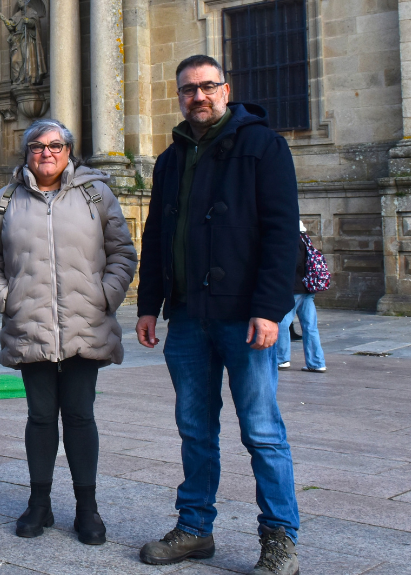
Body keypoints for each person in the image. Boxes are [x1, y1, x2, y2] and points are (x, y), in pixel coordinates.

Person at [134, 55, 302, 575]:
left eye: (207, 87)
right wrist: (148, 305)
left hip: (246, 318)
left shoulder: (264, 145)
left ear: (226, 89)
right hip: (188, 318)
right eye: (188, 89)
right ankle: (194, 529)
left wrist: (270, 310)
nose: (198, 96)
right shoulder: (170, 157)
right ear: (179, 96)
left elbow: (281, 233)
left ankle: (279, 538)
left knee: (262, 430)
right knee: (194, 427)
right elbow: (158, 236)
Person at [0, 119, 137, 545]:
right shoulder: (6, 199)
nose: (46, 153)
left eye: (55, 145)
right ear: (26, 152)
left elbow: (122, 251)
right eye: (36, 146)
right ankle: (40, 504)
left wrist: (105, 296)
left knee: (81, 416)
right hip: (30, 323)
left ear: (69, 151)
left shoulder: (95, 193)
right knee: (41, 417)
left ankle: (88, 508)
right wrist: (5, 298)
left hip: (86, 322)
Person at [277, 221, 326, 373]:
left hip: (295, 288)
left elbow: (295, 264)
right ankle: (316, 362)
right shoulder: (306, 240)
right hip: (308, 288)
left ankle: (281, 358)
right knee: (310, 327)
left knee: (281, 324)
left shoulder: (293, 241)